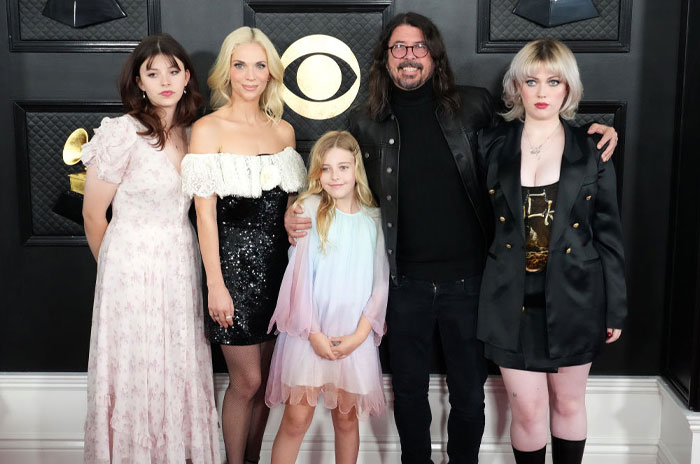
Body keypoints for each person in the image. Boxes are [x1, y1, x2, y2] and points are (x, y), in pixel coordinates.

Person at [285, 12, 620, 464]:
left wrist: (592, 132)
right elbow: (342, 182)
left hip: (472, 282)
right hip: (404, 284)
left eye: (419, 46)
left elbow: (535, 134)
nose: (409, 56)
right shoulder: (367, 123)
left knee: (469, 394)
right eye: (398, 48)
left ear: (434, 54)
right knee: (408, 393)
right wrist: (297, 210)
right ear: (385, 59)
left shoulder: (474, 106)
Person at [477, 38, 627, 464]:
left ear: (568, 89)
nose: (542, 92)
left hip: (577, 295)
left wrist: (615, 308)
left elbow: (609, 234)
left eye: (553, 81)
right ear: (516, 87)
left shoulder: (593, 148)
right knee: (527, 410)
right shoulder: (491, 145)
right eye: (532, 81)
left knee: (568, 404)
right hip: (508, 298)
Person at [82, 34, 220, 463]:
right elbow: (92, 215)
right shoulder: (123, 132)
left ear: (186, 77)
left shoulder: (194, 133)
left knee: (177, 363)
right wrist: (116, 277)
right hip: (129, 267)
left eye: (173, 70)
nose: (165, 80)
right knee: (136, 366)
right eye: (153, 72)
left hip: (179, 263)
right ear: (139, 82)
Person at [181, 26, 306, 464]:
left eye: (259, 65)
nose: (250, 75)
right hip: (231, 272)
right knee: (247, 382)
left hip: (278, 271)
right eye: (240, 65)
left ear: (270, 72)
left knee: (267, 386)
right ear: (227, 72)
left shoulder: (284, 133)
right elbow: (204, 215)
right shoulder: (207, 130)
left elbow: (290, 208)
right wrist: (215, 283)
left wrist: (295, 217)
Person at [265, 130, 389, 464]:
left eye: (343, 167)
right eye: (326, 168)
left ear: (356, 169)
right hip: (309, 335)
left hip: (353, 338)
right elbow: (297, 281)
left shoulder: (374, 219)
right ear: (317, 173)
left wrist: (361, 335)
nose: (335, 176)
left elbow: (380, 285)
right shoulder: (308, 209)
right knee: (296, 419)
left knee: (347, 420)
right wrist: (315, 334)